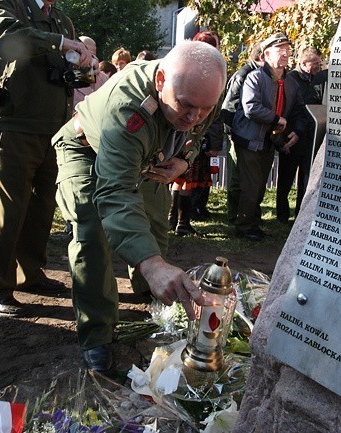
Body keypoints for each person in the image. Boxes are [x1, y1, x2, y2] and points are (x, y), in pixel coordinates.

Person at [53, 41, 227, 373]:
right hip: (86, 150)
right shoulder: (128, 109)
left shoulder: (200, 92)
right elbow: (116, 192)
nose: (195, 116)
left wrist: (182, 161)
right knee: (92, 236)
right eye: (186, 106)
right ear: (161, 81)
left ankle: (152, 294)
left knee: (155, 222)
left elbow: (193, 134)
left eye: (205, 108)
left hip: (149, 157)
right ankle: (97, 335)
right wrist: (153, 264)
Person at [0, 0, 92, 317]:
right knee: (9, 208)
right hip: (10, 123)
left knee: (43, 206)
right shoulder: (5, 3)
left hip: (51, 125)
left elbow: (58, 67)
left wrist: (80, 68)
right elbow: (6, 40)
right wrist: (59, 43)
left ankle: (30, 273)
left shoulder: (61, 19)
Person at [229, 32, 304, 241]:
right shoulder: (255, 77)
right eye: (281, 51)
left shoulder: (290, 82)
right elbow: (251, 108)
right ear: (267, 54)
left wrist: (296, 131)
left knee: (260, 184)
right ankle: (244, 227)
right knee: (251, 185)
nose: (285, 54)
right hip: (249, 140)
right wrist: (277, 119)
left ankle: (252, 223)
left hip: (269, 142)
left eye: (287, 50)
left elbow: (298, 110)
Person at [168, 31, 223, 235]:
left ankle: (173, 219)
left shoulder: (186, 68)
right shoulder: (210, 74)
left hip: (180, 134)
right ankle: (182, 223)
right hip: (195, 135)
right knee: (186, 179)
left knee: (179, 178)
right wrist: (214, 142)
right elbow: (213, 115)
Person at [275, 46, 323, 223]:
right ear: (303, 63)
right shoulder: (291, 80)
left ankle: (300, 214)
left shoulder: (315, 80)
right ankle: (282, 215)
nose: (318, 66)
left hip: (309, 137)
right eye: (315, 63)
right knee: (286, 178)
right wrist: (288, 134)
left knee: (305, 178)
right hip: (291, 136)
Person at [222, 41, 264, 224]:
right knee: (237, 178)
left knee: (248, 178)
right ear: (261, 57)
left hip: (249, 134)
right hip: (239, 135)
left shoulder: (260, 74)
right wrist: (232, 135)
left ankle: (246, 213)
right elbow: (228, 107)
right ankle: (234, 214)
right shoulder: (243, 75)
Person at [73, 36, 109, 104]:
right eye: (85, 54)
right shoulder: (69, 77)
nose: (89, 59)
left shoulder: (104, 78)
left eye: (92, 55)